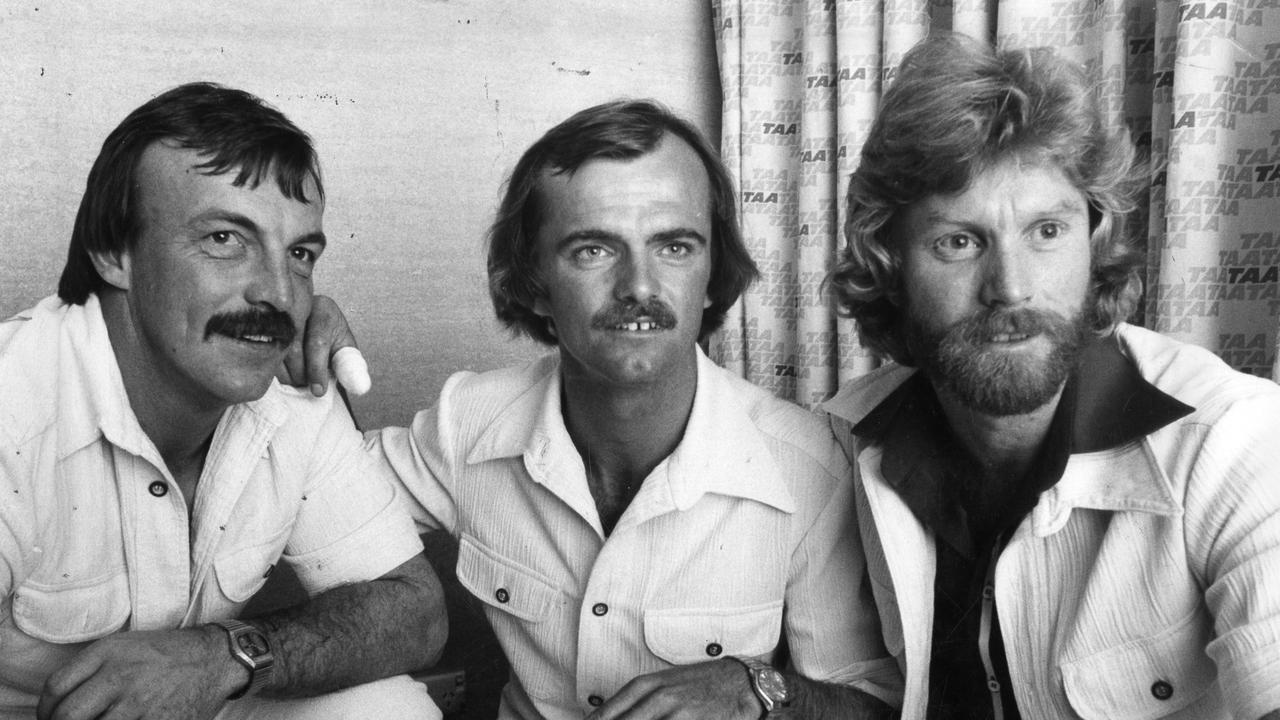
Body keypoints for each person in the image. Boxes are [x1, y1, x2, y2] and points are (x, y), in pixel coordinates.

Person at [364, 100, 901, 719]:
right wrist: (295, 339)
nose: (640, 286)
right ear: (533, 282)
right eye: (593, 250)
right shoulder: (469, 423)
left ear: (711, 274)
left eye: (674, 246)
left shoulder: (807, 468)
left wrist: (756, 690)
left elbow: (873, 706)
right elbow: (307, 484)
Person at [824, 32, 1280, 719]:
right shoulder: (839, 442)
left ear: (1095, 244)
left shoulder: (1235, 441)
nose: (1010, 289)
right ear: (890, 266)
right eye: (958, 241)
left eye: (1046, 232)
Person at [0, 82, 447, 720]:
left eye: (299, 254)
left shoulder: (291, 391)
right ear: (113, 252)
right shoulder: (14, 408)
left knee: (387, 709)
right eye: (223, 239)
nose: (279, 294)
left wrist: (227, 656)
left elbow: (414, 613)